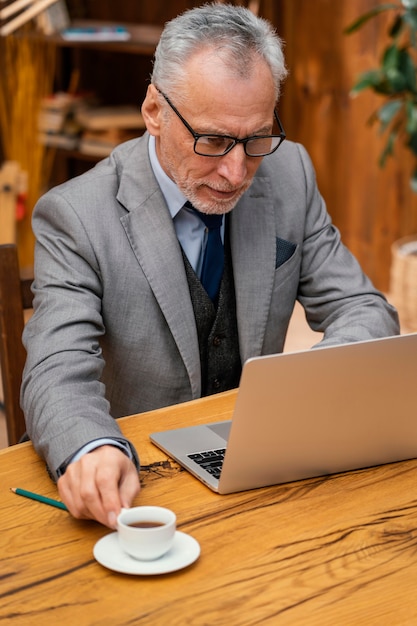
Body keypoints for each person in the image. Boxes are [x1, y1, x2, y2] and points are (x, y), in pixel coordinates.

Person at [21, 3, 399, 528]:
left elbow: (363, 308)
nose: (237, 171)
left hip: (260, 473)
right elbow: (55, 369)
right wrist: (91, 446)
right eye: (213, 141)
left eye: (256, 138)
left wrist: (305, 394)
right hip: (140, 489)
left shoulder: (290, 174)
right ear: (154, 110)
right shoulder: (76, 215)